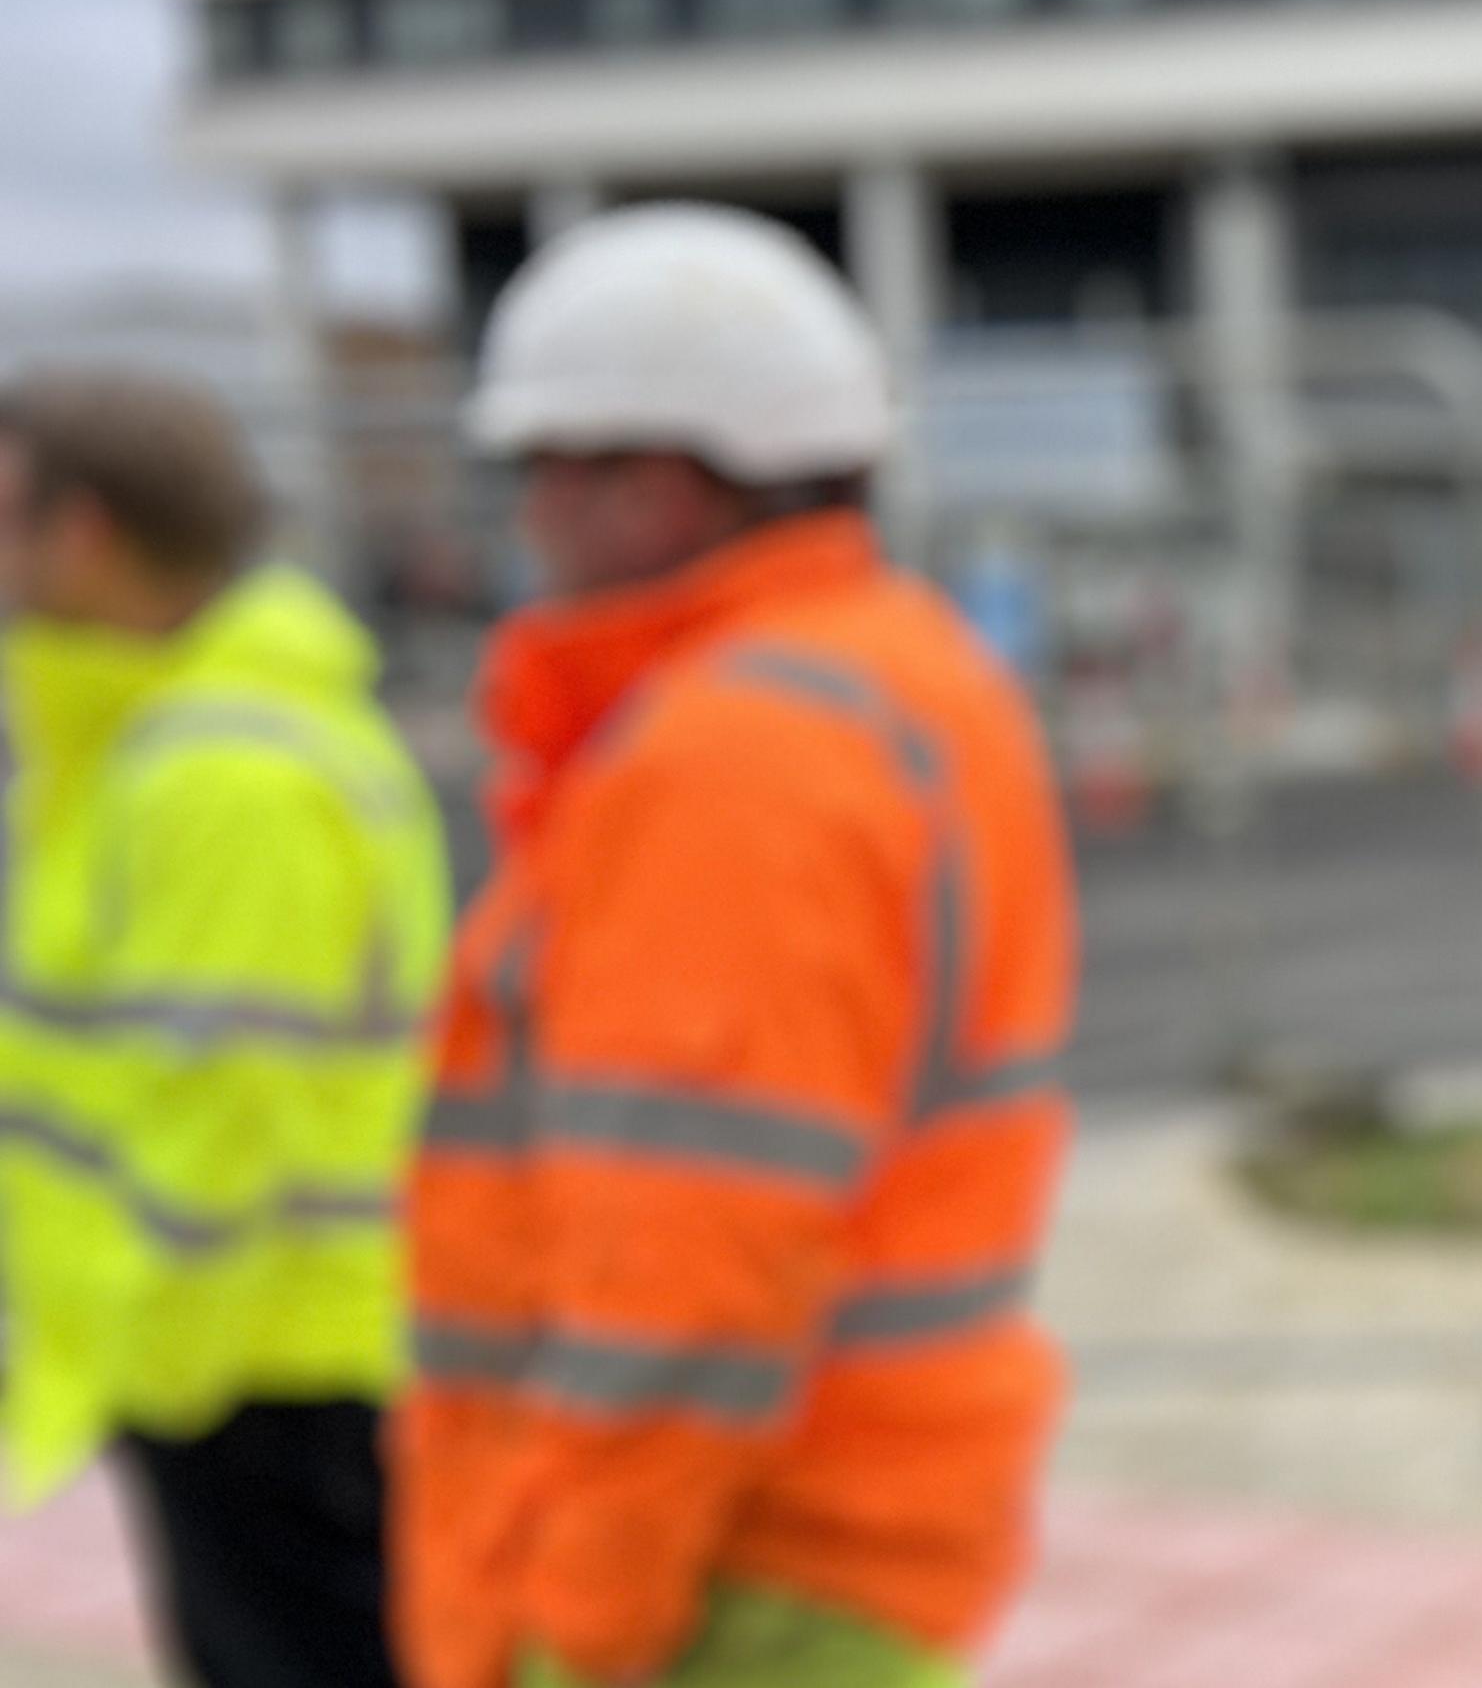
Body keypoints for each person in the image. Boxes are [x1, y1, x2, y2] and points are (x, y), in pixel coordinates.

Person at [398, 204, 1079, 1688]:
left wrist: (582, 1618)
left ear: (651, 479)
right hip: (854, 1519)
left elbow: (690, 1260)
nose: (525, 518)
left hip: (734, 1563)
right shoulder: (907, 671)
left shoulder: (735, 752)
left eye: (542, 471)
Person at [0, 370, 450, 1688]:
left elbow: (229, 1112)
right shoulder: (167, 737)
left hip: (256, 1366)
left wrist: (156, 1364)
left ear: (83, 530)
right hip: (250, 1356)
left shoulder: (220, 771)